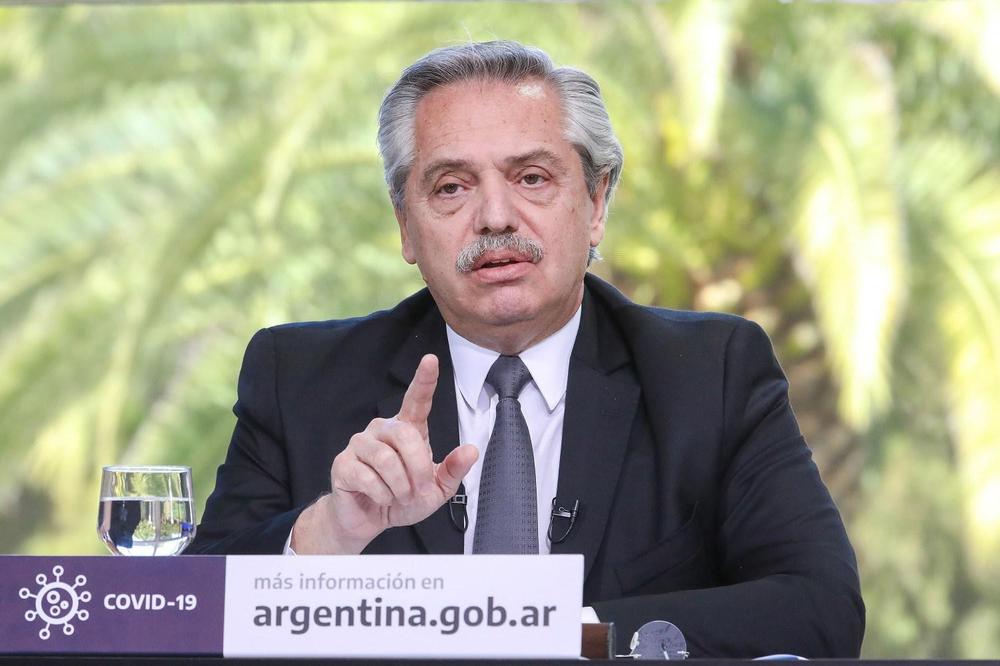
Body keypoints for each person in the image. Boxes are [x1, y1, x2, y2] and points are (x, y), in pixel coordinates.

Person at [189, 40, 864, 657]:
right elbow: (181, 619)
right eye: (451, 187)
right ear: (406, 227)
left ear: (596, 203)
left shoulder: (709, 374)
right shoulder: (298, 380)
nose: (495, 217)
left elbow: (820, 607)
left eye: (532, 178)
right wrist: (331, 533)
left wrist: (560, 631)